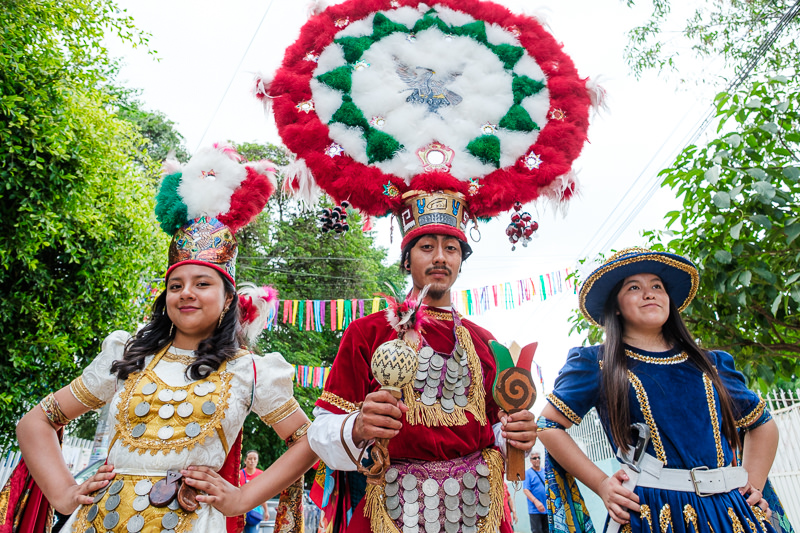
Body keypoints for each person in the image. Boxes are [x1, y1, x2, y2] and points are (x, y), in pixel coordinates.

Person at [15, 145, 318, 533]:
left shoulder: (250, 371)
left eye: (202, 283)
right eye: (176, 285)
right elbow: (35, 422)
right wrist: (63, 494)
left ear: (229, 299)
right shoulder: (129, 353)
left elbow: (309, 440)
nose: (186, 293)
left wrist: (242, 498)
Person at [305, 190, 538, 533]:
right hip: (391, 506)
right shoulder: (366, 332)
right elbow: (321, 430)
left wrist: (518, 435)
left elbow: (496, 428)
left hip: (477, 507)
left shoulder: (485, 342)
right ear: (406, 259)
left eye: (452, 248)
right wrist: (357, 426)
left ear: (461, 260)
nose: (440, 258)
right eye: (427, 247)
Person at [537, 247, 779, 532]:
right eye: (634, 287)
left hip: (730, 512)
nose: (649, 293)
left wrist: (755, 483)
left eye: (657, 286)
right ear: (615, 305)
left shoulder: (711, 363)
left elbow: (762, 423)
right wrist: (603, 484)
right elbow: (548, 425)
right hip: (650, 513)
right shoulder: (596, 363)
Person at [241, 450, 270, 533]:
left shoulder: (261, 475)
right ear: (245, 461)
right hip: (239, 511)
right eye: (250, 459)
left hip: (253, 513)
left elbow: (263, 495)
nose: (252, 461)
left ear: (257, 461)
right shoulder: (239, 474)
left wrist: (266, 511)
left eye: (255, 459)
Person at [523, 452, 547, 533]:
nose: (537, 460)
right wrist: (536, 501)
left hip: (547, 508)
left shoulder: (545, 471)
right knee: (537, 531)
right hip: (535, 510)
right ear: (530, 460)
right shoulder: (528, 473)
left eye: (538, 458)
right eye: (534, 458)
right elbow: (526, 490)